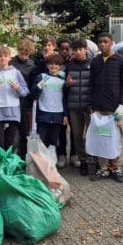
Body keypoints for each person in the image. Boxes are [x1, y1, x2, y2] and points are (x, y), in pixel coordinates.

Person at [89, 32, 123, 183]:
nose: (102, 44)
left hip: (115, 109)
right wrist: (92, 105)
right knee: (102, 138)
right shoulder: (95, 62)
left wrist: (122, 104)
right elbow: (91, 85)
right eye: (100, 42)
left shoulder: (120, 60)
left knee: (117, 139)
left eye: (105, 41)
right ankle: (103, 168)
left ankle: (118, 168)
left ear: (111, 43)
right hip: (99, 108)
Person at [0, 46, 29, 151]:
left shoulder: (16, 72)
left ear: (9, 58)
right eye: (0, 56)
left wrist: (17, 88)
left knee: (10, 141)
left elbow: (25, 92)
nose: (3, 58)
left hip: (13, 111)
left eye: (5, 56)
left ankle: (8, 164)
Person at [65, 39, 92, 175]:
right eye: (75, 50)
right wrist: (67, 85)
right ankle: (83, 161)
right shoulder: (69, 66)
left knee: (91, 134)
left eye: (81, 49)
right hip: (74, 106)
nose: (78, 52)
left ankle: (95, 160)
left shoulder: (92, 64)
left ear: (86, 50)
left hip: (89, 106)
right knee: (77, 135)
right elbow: (63, 87)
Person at [31, 53, 68, 150]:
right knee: (41, 141)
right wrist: (40, 85)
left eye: (56, 64)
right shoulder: (41, 77)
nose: (53, 66)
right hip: (43, 114)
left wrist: (65, 115)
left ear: (60, 66)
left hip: (57, 114)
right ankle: (40, 163)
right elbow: (33, 93)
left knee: (53, 141)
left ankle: (51, 163)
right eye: (51, 64)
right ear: (47, 65)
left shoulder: (63, 79)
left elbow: (65, 98)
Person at [10, 38, 36, 157]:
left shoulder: (32, 64)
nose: (24, 56)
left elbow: (32, 83)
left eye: (27, 54)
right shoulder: (11, 63)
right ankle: (11, 158)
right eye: (22, 53)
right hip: (12, 100)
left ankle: (23, 159)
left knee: (25, 132)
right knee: (12, 134)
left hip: (26, 102)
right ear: (18, 50)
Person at [55, 38, 73, 167]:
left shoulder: (73, 62)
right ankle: (61, 154)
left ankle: (73, 154)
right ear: (59, 49)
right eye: (62, 49)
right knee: (61, 129)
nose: (65, 51)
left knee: (75, 130)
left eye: (67, 49)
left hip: (72, 99)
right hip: (59, 99)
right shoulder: (55, 63)